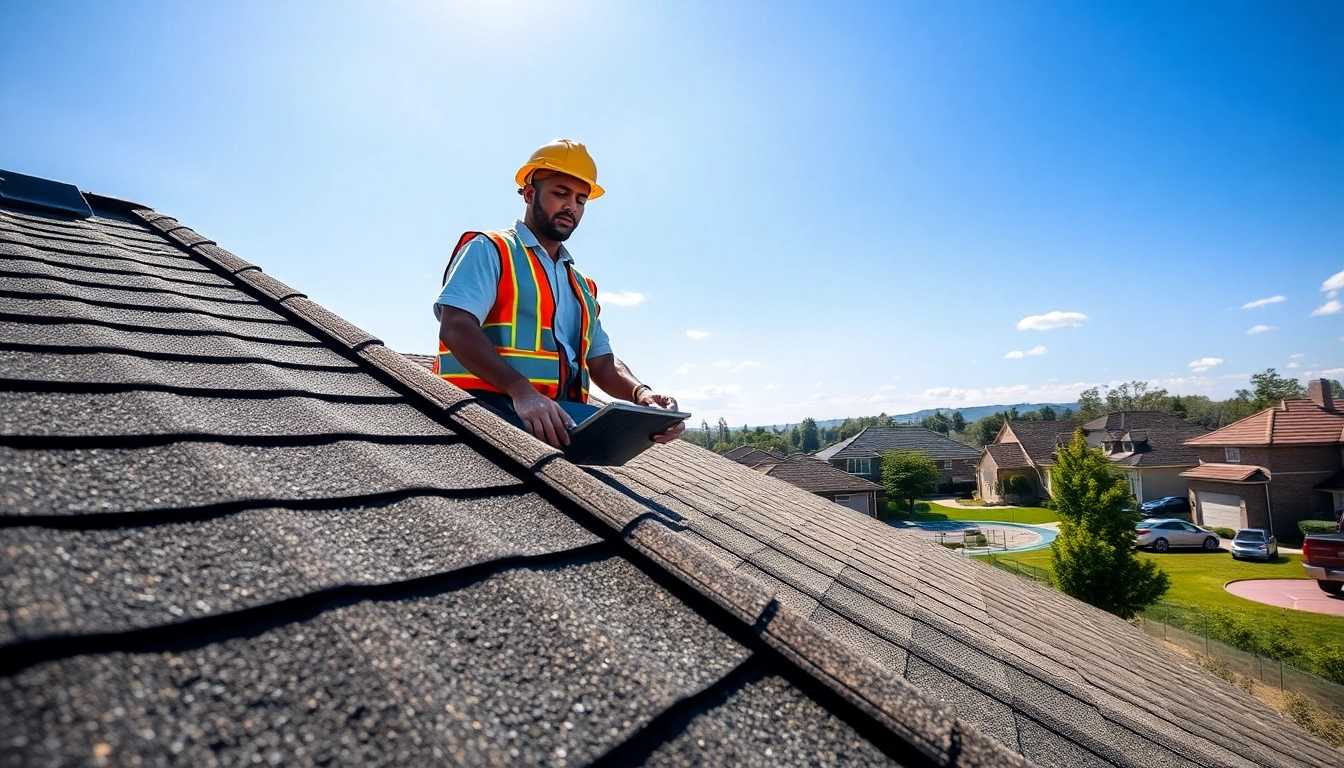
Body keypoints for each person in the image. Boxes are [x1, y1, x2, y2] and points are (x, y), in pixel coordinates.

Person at [433, 139, 686, 449]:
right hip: (482, 410)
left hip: (557, 419)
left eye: (581, 200)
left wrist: (643, 396)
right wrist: (522, 392)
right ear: (529, 194)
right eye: (560, 193)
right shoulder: (490, 249)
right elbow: (456, 326)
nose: (572, 207)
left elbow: (603, 362)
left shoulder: (581, 286)